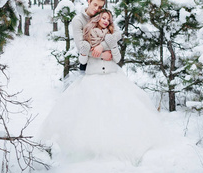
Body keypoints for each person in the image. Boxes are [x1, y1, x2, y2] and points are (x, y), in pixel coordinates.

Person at [40, 9, 164, 163]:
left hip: (113, 76)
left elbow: (117, 58)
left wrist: (111, 46)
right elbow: (83, 61)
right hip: (93, 78)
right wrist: (87, 53)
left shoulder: (111, 36)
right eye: (103, 18)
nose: (106, 21)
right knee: (92, 114)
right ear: (97, 19)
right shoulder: (88, 36)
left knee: (120, 111)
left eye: (109, 19)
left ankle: (121, 146)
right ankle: (90, 151)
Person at [71, 0, 121, 71]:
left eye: (100, 7)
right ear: (89, 1)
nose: (96, 9)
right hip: (88, 63)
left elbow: (117, 34)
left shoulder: (103, 16)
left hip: (106, 63)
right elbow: (81, 47)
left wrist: (102, 46)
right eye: (95, 4)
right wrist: (102, 55)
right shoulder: (78, 20)